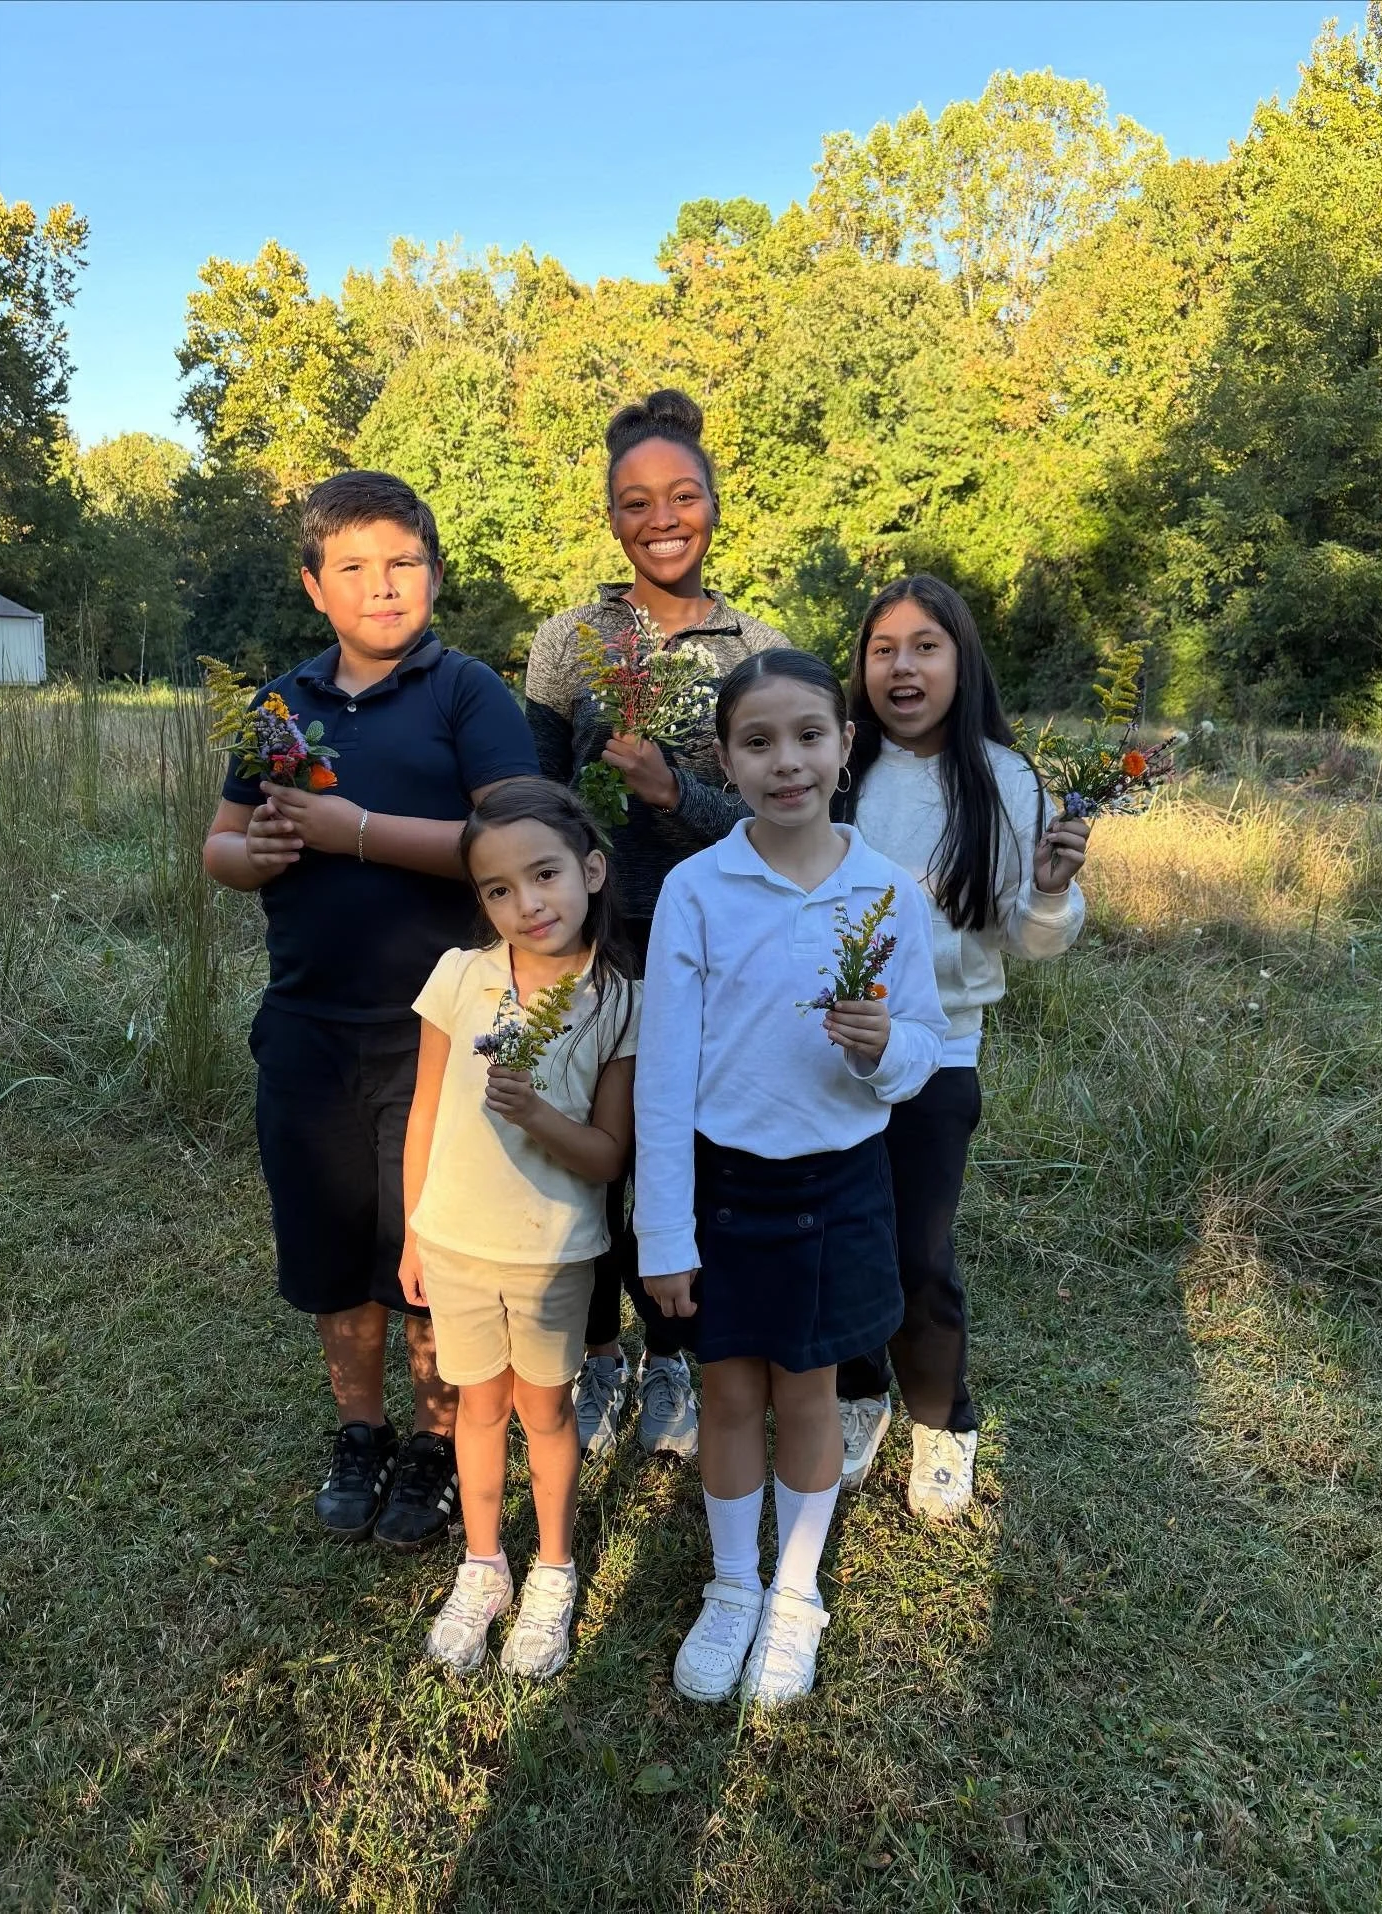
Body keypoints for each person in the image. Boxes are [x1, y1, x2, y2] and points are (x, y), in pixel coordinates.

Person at [204, 470, 540, 1550]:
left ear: (435, 576)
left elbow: (511, 847)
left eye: (403, 564)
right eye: (352, 567)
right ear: (313, 585)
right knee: (333, 1251)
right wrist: (251, 852)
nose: (381, 586)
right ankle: (362, 1431)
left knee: (432, 1255)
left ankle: (439, 1446)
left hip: (436, 1036)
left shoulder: (467, 694)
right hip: (307, 1028)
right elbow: (221, 843)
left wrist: (353, 829)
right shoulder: (280, 706)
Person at [634, 649, 947, 1706]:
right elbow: (666, 1078)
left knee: (809, 1389)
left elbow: (923, 1055)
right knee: (728, 1390)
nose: (786, 763)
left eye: (808, 736)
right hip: (724, 1186)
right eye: (758, 743)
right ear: (724, 758)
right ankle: (732, 1586)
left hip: (840, 1178)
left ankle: (796, 1594)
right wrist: (664, 1236)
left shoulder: (890, 893)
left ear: (845, 745)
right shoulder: (696, 890)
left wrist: (879, 1046)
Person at [524, 388, 784, 1465]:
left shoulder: (757, 648)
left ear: (715, 504)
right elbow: (528, 809)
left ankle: (674, 1357)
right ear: (611, 515)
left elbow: (779, 833)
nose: (661, 517)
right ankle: (596, 1353)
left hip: (714, 954)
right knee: (589, 1156)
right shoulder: (569, 642)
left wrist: (675, 792)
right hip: (594, 951)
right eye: (637, 501)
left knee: (685, 1158)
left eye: (683, 496)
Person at [832, 575, 1090, 1520]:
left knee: (916, 1251)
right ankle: (858, 1397)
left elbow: (1031, 936)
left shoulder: (1003, 779)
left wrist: (1054, 889)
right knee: (841, 1235)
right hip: (833, 1048)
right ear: (860, 670)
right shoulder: (838, 767)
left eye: (925, 646)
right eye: (883, 648)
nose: (903, 666)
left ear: (961, 659)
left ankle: (943, 1422)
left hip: (940, 1053)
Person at [399, 779, 640, 1676]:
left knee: (545, 1412)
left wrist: (535, 1112)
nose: (525, 904)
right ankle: (483, 1563)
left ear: (592, 869)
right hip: (455, 1240)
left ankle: (554, 1570)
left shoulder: (619, 1000)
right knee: (476, 1408)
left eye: (544, 875)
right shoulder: (460, 978)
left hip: (552, 1254)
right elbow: (424, 1114)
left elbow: (610, 1155)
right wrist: (415, 1232)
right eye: (498, 889)